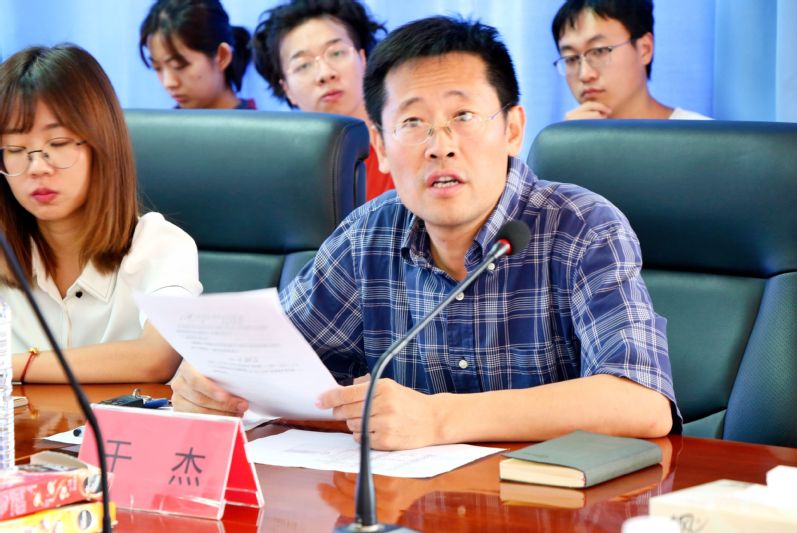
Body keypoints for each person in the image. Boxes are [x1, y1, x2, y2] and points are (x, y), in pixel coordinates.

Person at [172, 16, 679, 450]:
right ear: (381, 147)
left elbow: (640, 400)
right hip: (409, 506)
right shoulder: (367, 237)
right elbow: (273, 362)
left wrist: (439, 418)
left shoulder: (582, 227)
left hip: (549, 504)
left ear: (512, 129)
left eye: (464, 116)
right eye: (413, 122)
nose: (441, 146)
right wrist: (213, 385)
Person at [0, 45, 202, 383]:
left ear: (102, 145)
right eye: (15, 149)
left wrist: (12, 365)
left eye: (58, 144)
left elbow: (156, 358)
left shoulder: (160, 246)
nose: (36, 167)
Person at [251, 0, 393, 200]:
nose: (325, 74)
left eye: (336, 53)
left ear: (363, 59)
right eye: (303, 65)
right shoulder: (283, 178)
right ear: (286, 89)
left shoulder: (403, 144)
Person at [552, 0, 710, 120]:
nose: (585, 75)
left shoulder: (704, 139)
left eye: (599, 51)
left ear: (645, 49)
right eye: (571, 59)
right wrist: (570, 147)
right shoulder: (564, 145)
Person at [140, 0, 255, 110]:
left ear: (222, 56)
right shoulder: (163, 123)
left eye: (179, 65)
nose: (168, 83)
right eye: (157, 68)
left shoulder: (254, 123)